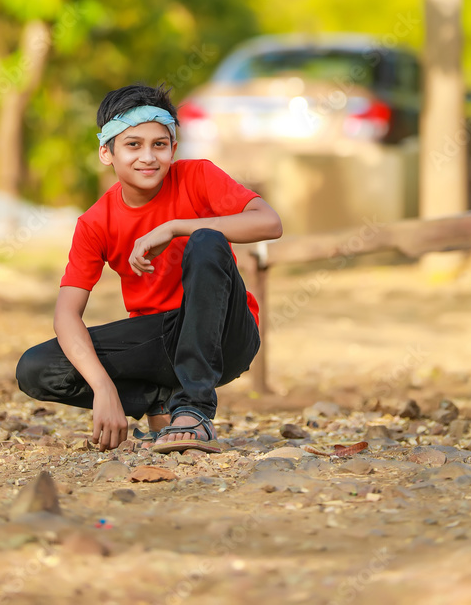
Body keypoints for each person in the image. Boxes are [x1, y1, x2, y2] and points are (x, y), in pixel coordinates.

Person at [15, 82, 282, 454]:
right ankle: (158, 397)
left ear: (173, 148)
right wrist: (104, 390)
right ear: (106, 153)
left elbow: (269, 222)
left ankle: (193, 410)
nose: (148, 157)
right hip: (161, 341)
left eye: (159, 144)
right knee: (36, 368)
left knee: (207, 240)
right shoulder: (96, 222)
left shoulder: (198, 177)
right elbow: (66, 315)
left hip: (227, 335)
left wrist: (176, 228)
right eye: (133, 145)